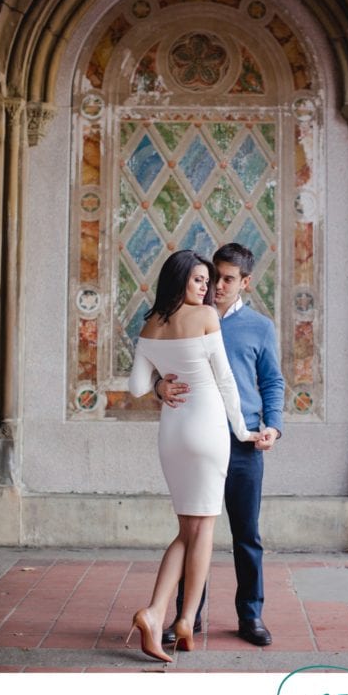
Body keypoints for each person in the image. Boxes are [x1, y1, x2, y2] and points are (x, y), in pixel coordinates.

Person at [126, 249, 259, 662]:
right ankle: (173, 616)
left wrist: (161, 386)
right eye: (200, 280)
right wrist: (243, 431)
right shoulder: (205, 318)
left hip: (172, 432)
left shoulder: (150, 324)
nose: (207, 288)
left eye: (209, 281)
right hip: (207, 429)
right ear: (181, 279)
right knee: (202, 531)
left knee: (189, 529)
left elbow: (134, 388)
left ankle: (164, 616)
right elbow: (225, 383)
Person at [155, 243, 284, 647]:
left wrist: (273, 428)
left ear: (245, 281)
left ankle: (251, 616)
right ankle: (186, 618)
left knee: (247, 534)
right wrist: (159, 387)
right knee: (195, 530)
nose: (219, 285)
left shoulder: (260, 327)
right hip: (199, 441)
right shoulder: (184, 318)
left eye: (229, 279)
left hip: (243, 442)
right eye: (216, 277)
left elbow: (272, 382)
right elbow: (155, 366)